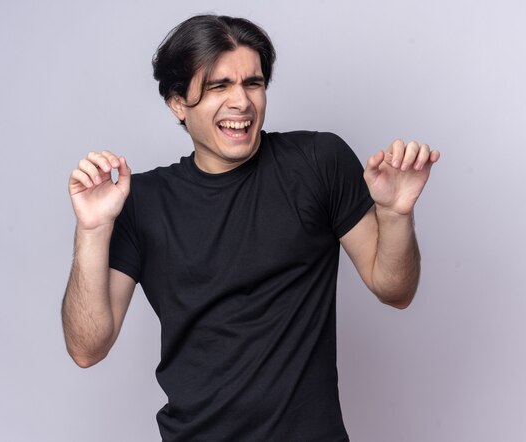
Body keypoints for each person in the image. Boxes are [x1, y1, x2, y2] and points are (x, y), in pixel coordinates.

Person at [61, 14, 440, 442]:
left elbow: (395, 291)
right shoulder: (142, 202)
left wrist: (394, 215)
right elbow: (87, 348)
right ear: (177, 102)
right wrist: (91, 230)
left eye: (253, 83)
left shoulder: (318, 162)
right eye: (218, 86)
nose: (241, 102)